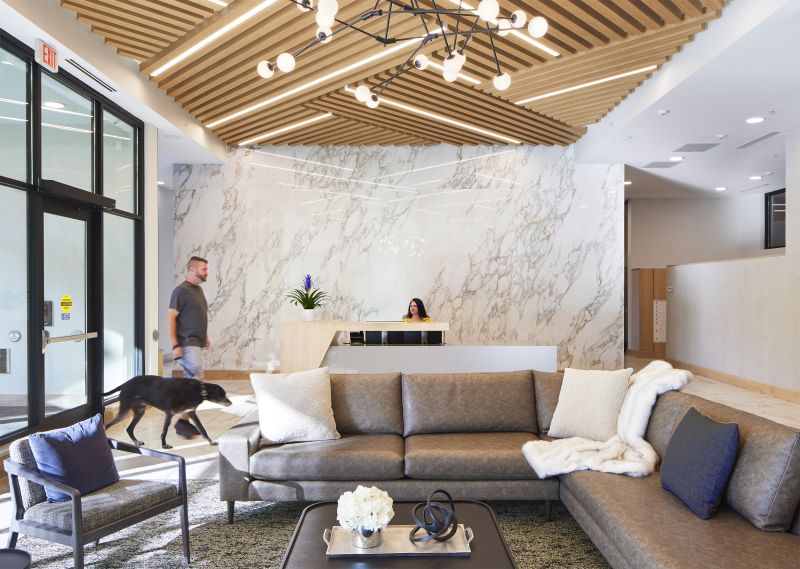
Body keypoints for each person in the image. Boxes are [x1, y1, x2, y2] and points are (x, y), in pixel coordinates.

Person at [168, 255, 211, 438]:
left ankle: (184, 422)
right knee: (195, 383)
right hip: (186, 343)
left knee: (193, 383)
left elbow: (197, 316)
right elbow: (171, 318)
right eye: (204, 269)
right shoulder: (180, 291)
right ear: (193, 270)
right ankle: (182, 422)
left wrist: (205, 336)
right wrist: (175, 344)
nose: (207, 272)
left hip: (196, 342)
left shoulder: (198, 290)